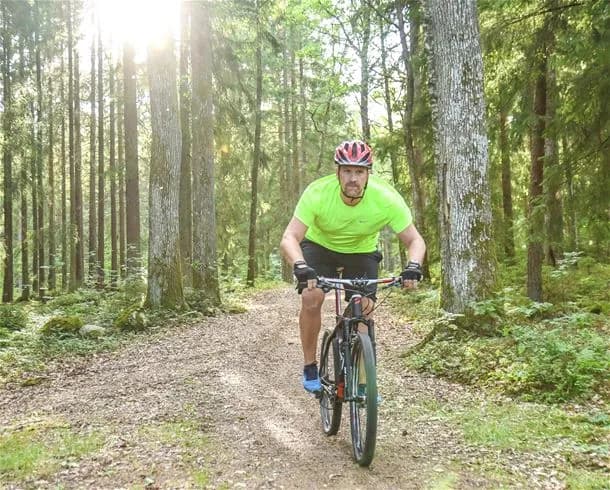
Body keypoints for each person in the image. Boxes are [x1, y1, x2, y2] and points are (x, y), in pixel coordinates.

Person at [279, 139, 426, 393]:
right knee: (312, 297)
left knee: (364, 308)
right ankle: (310, 365)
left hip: (361, 251)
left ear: (368, 174)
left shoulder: (386, 198)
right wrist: (300, 265)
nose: (353, 178)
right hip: (319, 246)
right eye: (347, 171)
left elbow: (415, 240)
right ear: (337, 172)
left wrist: (413, 265)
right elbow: (289, 237)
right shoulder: (318, 193)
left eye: (359, 171)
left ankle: (362, 381)